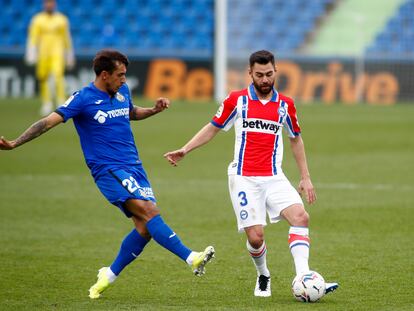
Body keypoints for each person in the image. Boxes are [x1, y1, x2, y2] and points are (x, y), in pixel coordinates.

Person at [0, 49, 215, 299]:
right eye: (120, 75)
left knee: (145, 228)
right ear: (104, 75)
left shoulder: (121, 91)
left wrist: (154, 110)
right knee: (150, 213)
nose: (124, 80)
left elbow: (131, 112)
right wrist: (15, 143)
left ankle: (108, 275)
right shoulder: (82, 99)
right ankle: (192, 258)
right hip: (108, 169)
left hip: (135, 166)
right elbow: (47, 122)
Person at [164, 50, 338, 298]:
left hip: (274, 177)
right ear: (250, 74)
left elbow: (295, 139)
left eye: (269, 74)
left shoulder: (285, 105)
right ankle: (263, 275)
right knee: (256, 238)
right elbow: (212, 128)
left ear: (275, 71)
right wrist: (185, 149)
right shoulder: (237, 101)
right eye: (259, 75)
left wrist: (305, 176)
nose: (265, 79)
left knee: (301, 217)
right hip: (243, 178)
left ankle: (303, 276)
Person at [25, 0, 75, 116]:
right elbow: (33, 37)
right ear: (44, 4)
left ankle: (61, 102)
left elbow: (67, 38)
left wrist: (69, 55)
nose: (49, 5)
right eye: (47, 3)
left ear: (55, 4)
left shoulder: (62, 19)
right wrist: (31, 53)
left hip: (57, 53)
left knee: (58, 76)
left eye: (51, 3)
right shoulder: (37, 19)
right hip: (43, 53)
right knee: (43, 78)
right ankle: (47, 103)